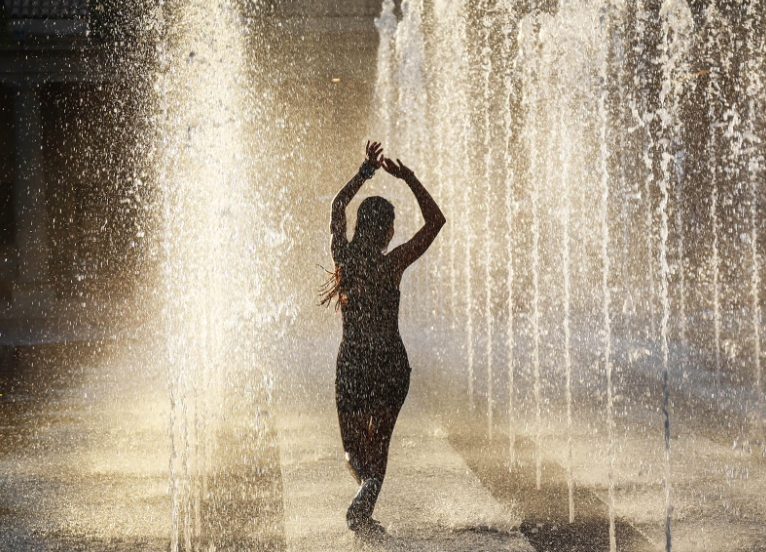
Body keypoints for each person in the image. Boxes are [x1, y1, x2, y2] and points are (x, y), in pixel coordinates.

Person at [321, 140, 446, 537]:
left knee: (353, 451)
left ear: (362, 226)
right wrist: (408, 177)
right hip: (390, 363)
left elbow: (337, 207)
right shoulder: (392, 264)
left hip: (355, 362)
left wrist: (364, 171)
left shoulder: (344, 257)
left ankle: (366, 490)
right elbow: (436, 221)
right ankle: (368, 499)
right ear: (389, 231)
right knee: (381, 443)